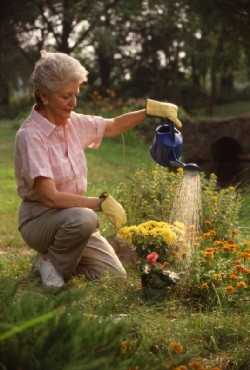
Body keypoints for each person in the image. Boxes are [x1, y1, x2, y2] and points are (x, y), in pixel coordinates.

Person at [14, 50, 182, 288]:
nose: (73, 102)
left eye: (75, 94)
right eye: (65, 96)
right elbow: (49, 197)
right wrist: (99, 203)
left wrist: (148, 111)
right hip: (40, 218)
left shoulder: (71, 121)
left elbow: (112, 126)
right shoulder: (31, 135)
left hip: (71, 219)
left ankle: (53, 262)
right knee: (85, 218)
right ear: (44, 95)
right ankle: (50, 260)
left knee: (114, 276)